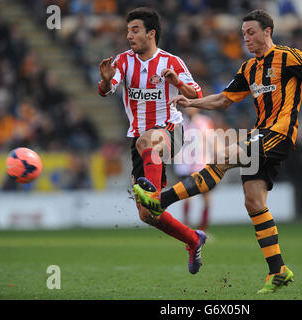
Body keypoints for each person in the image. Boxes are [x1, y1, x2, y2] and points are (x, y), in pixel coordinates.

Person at [133, 9, 302, 294]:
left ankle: (159, 200)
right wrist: (191, 103)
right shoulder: (249, 69)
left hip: (278, 135)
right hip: (260, 135)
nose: (247, 39)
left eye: (251, 33)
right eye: (243, 35)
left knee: (224, 158)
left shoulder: (289, 57)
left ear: (267, 31)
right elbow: (224, 100)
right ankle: (278, 270)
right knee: (253, 202)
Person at [98, 7, 207, 275]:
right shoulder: (122, 61)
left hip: (171, 132)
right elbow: (108, 89)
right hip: (141, 143)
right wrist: (104, 80)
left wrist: (177, 84)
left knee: (148, 141)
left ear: (151, 33)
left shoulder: (172, 62)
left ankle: (156, 195)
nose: (129, 35)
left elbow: (197, 94)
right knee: (147, 215)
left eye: (135, 30)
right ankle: (193, 240)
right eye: (127, 31)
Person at [173, 108, 215, 232]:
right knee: (187, 197)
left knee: (207, 198)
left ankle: (203, 230)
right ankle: (186, 229)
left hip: (202, 166)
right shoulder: (179, 122)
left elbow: (211, 141)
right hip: (185, 166)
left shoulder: (204, 121)